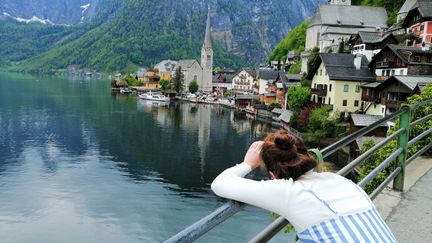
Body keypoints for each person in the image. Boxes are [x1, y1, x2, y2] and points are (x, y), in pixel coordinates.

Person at [211, 130, 397, 242]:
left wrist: (248, 164)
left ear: (273, 175)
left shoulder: (289, 192)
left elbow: (220, 184)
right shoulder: (342, 182)